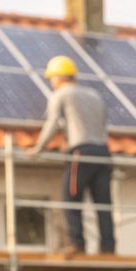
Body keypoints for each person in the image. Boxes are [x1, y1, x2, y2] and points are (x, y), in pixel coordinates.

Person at [26, 55, 115, 257]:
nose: (51, 82)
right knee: (103, 203)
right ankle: (108, 248)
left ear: (58, 77)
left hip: (81, 152)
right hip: (103, 152)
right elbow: (101, 124)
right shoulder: (94, 95)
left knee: (71, 197)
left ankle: (77, 243)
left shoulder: (61, 95)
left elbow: (53, 123)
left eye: (52, 78)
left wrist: (38, 148)